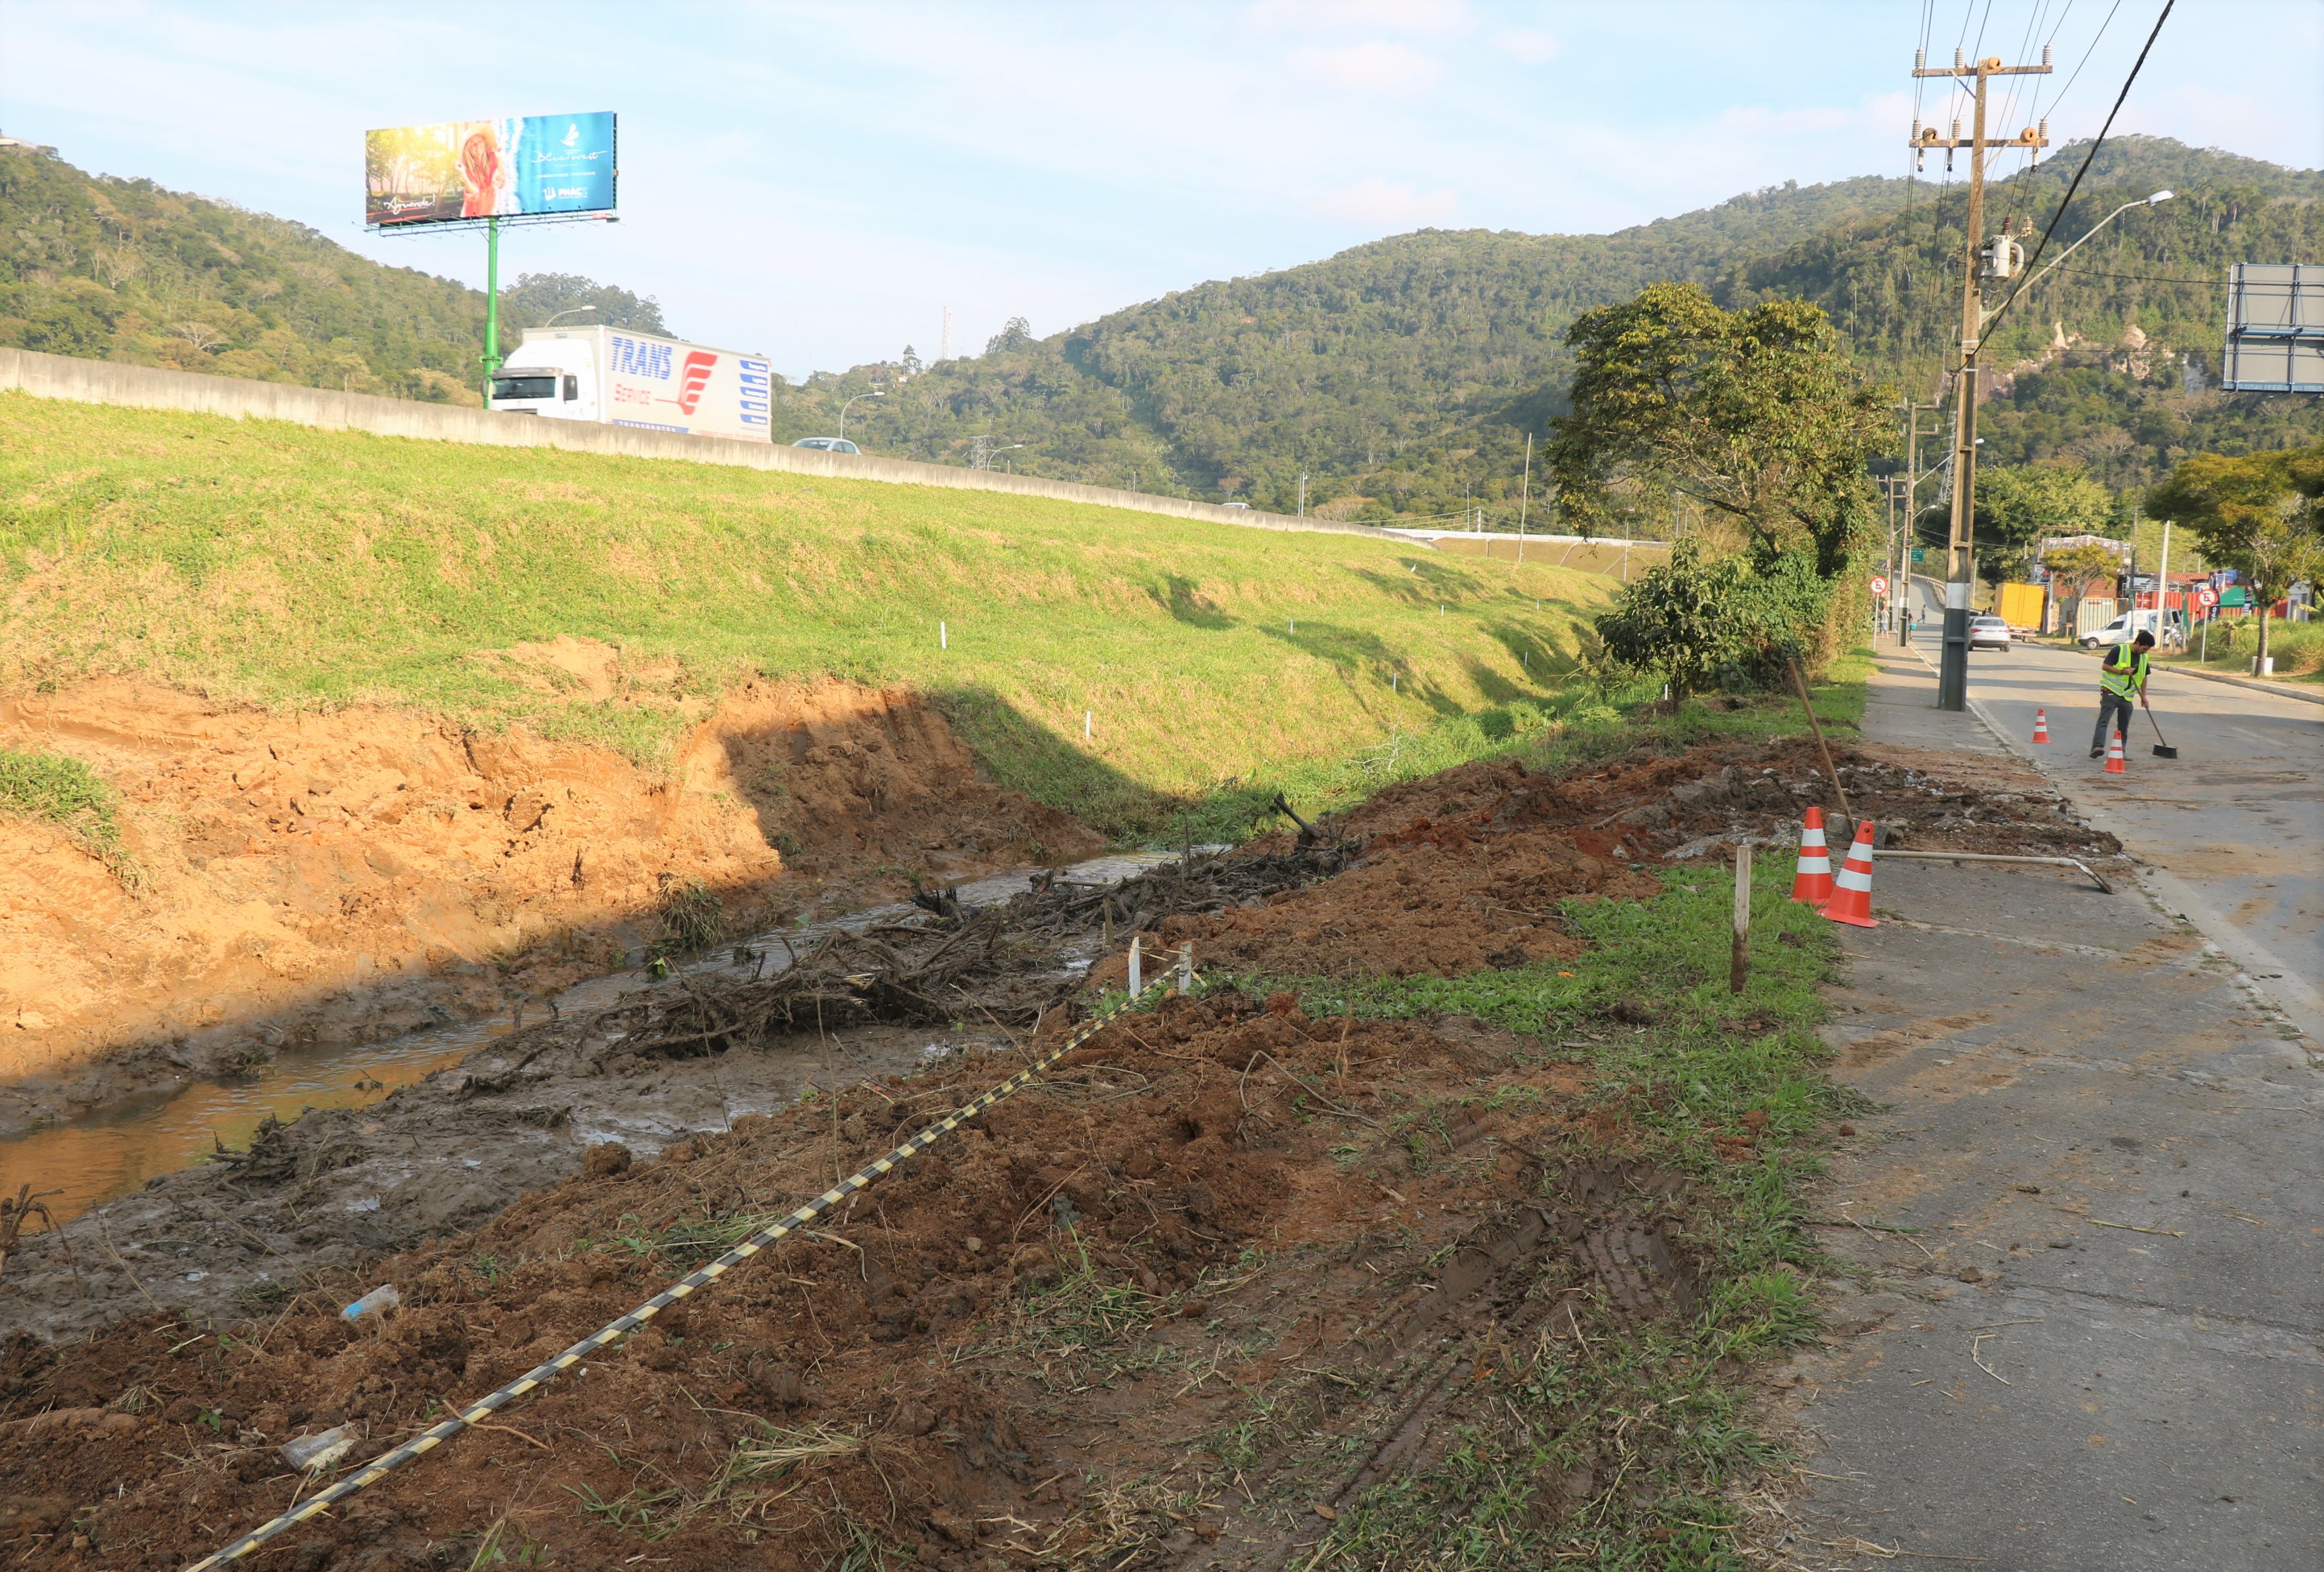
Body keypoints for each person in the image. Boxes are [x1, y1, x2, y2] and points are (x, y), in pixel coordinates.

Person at [2091, 628, 2154, 758]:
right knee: (2104, 721)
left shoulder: (2144, 657)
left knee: (2123, 727)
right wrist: (2122, 672)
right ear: (2137, 643)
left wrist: (2144, 696)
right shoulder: (2119, 649)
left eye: (2147, 650)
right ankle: (2097, 746)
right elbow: (2105, 666)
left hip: (2126, 697)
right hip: (2111, 691)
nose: (2145, 651)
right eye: (2144, 648)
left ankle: (2120, 751)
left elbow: (2144, 677)